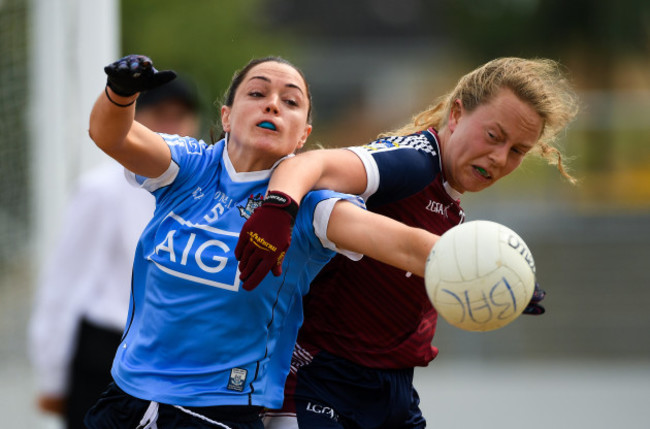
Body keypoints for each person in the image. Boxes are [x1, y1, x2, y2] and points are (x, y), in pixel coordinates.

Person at [81, 54, 446, 429]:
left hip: (217, 411)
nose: (273, 104)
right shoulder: (191, 166)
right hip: (126, 396)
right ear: (226, 116)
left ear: (303, 134)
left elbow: (407, 247)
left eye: (290, 102)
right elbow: (110, 134)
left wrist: (490, 269)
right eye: (257, 92)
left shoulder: (310, 205)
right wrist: (120, 94)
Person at [235, 57, 580, 428]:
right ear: (457, 114)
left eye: (517, 151)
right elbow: (312, 164)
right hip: (321, 383)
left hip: (390, 391)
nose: (499, 158)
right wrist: (280, 207)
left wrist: (488, 279)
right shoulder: (413, 161)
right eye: (494, 136)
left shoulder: (445, 193)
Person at [28, 77, 201, 429]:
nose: (171, 126)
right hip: (106, 356)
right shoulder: (102, 189)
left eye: (180, 116)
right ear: (136, 121)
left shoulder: (204, 194)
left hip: (175, 359)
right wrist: (53, 375)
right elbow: (63, 283)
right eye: (160, 114)